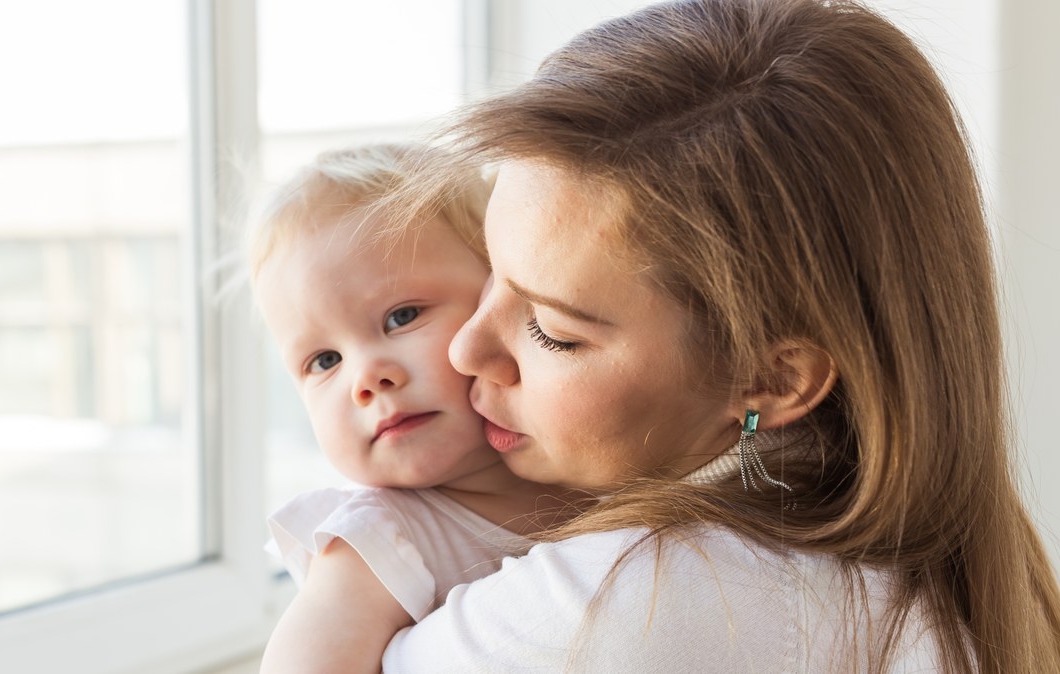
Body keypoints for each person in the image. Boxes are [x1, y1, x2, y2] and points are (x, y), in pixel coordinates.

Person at [377, 0, 1060, 672]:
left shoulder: (623, 601)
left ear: (771, 379)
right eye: (488, 268)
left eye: (552, 332)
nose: (466, 350)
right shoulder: (965, 577)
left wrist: (368, 553)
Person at [247, 143, 578, 673]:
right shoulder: (378, 545)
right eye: (324, 360)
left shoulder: (602, 466)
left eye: (401, 317)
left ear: (499, 296)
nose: (366, 379)